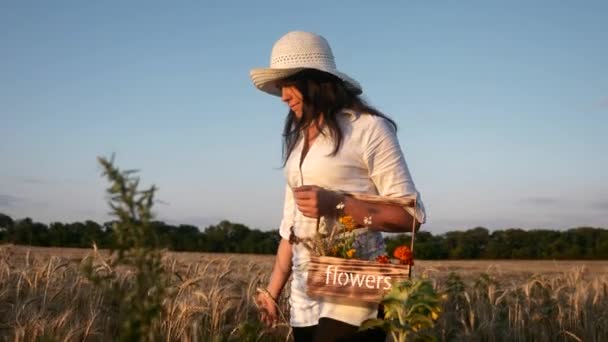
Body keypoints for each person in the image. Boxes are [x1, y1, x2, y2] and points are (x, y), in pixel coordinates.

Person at [250, 31, 426, 342]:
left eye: (289, 84)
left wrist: (338, 205)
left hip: (357, 285)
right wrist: (273, 291)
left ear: (315, 81)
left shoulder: (368, 128)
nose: (283, 96)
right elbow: (291, 226)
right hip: (306, 294)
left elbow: (409, 216)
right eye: (280, 87)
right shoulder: (298, 143)